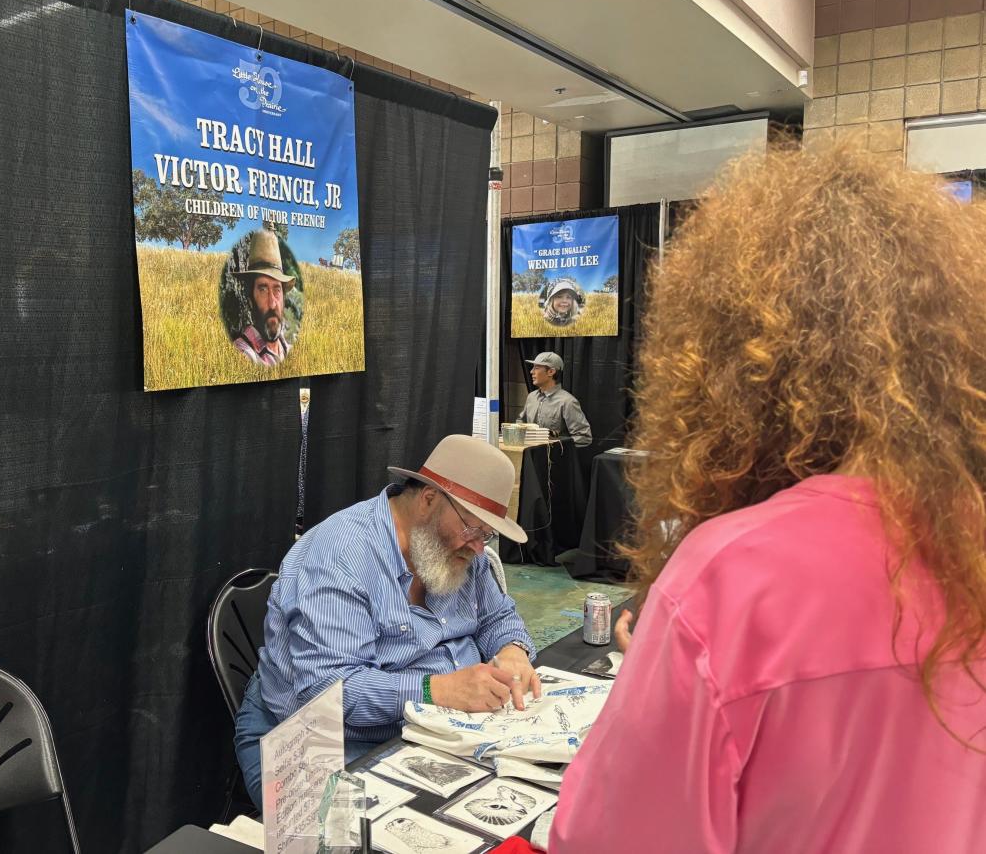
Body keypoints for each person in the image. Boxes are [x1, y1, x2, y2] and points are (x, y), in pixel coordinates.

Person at [548, 142, 986, 851]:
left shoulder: (730, 580)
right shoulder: (967, 542)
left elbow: (604, 838)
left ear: (726, 361)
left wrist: (666, 689)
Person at [235, 435, 540, 809]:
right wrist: (437, 691)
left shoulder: (458, 549)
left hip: (431, 731)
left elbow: (497, 617)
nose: (479, 547)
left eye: (486, 536)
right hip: (320, 740)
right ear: (429, 499)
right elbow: (329, 691)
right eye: (474, 530)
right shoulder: (342, 554)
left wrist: (513, 651)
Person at [232, 228, 294, 366]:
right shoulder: (243, 355)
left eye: (277, 289)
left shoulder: (289, 350)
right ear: (250, 300)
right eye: (263, 289)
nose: (272, 304)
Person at [516, 351, 591, 445]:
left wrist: (555, 445)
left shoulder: (567, 401)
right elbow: (521, 422)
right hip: (531, 456)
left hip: (555, 458)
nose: (531, 372)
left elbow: (584, 437)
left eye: (537, 368)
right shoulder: (531, 397)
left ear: (551, 372)